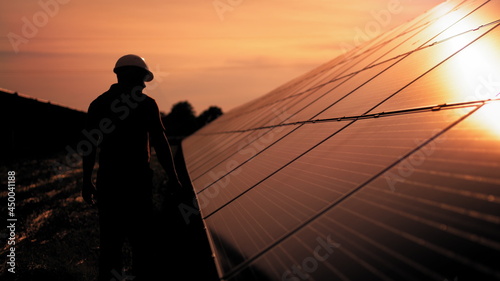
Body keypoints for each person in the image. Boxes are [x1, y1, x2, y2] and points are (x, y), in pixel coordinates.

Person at [81, 54, 182, 281]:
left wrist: (87, 181)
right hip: (137, 183)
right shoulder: (147, 105)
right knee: (142, 244)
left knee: (110, 243)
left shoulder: (98, 104)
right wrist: (173, 177)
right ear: (131, 76)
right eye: (142, 78)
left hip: (110, 182)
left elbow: (89, 147)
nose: (144, 84)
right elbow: (161, 143)